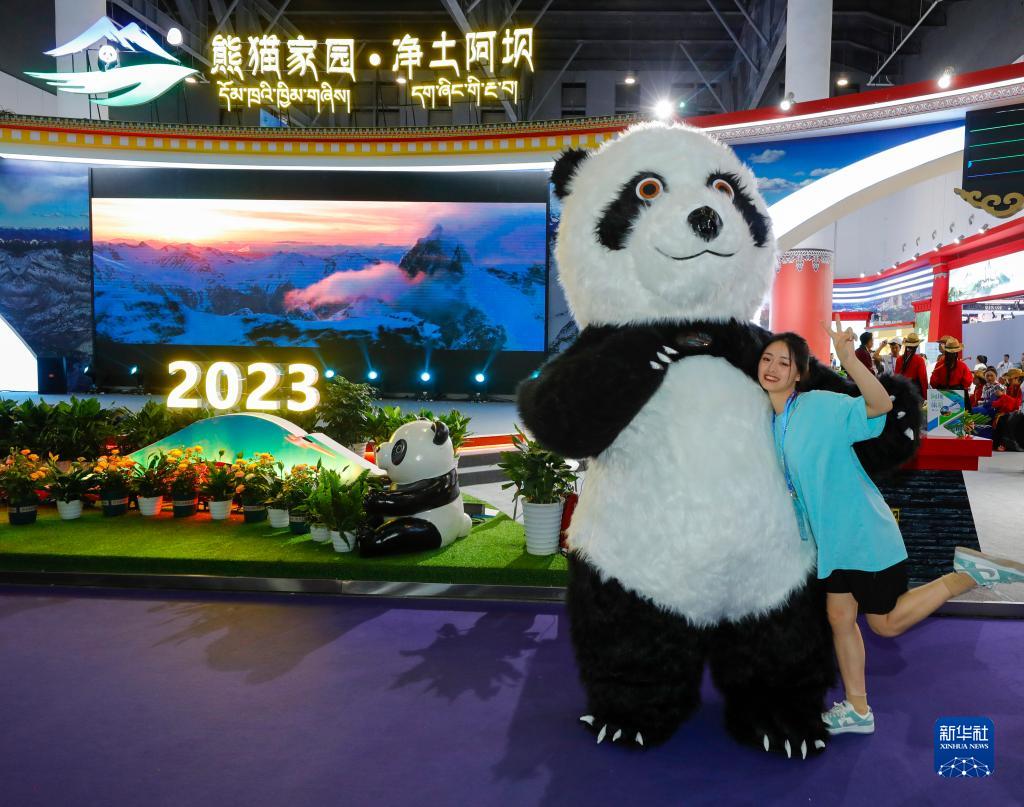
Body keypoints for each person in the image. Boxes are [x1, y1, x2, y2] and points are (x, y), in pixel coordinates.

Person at [757, 321, 1024, 736]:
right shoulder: (772, 422)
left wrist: (850, 360)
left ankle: (964, 577)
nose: (772, 368)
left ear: (799, 374)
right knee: (840, 617)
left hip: (862, 533)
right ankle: (858, 709)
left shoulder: (819, 405)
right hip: (832, 543)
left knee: (884, 623)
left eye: (784, 362)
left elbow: (880, 405)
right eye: (767, 359)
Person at [929, 337, 973, 407]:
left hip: (942, 394)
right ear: (956, 352)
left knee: (943, 413)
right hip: (959, 396)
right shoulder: (962, 365)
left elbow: (933, 382)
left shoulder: (939, 364)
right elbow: (968, 381)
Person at [894, 332, 927, 400]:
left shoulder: (899, 359)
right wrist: (925, 395)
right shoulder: (919, 360)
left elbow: (896, 377)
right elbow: (923, 379)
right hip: (915, 391)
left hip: (902, 391)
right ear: (917, 346)